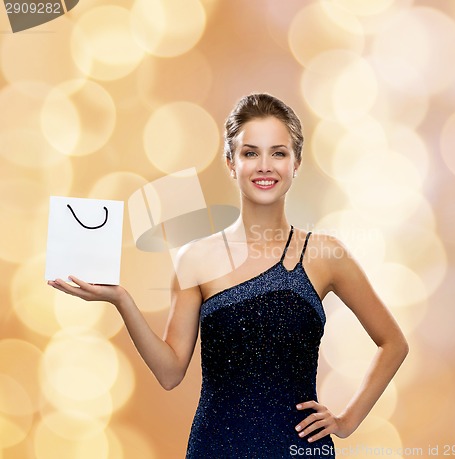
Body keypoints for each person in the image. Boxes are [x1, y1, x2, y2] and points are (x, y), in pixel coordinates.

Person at [48, 93, 409, 458]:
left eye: (278, 153)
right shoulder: (196, 258)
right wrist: (122, 300)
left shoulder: (324, 254)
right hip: (216, 446)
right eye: (250, 153)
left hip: (298, 449)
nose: (264, 166)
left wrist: (346, 422)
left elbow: (393, 343)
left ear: (296, 163)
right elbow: (171, 372)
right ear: (231, 163)